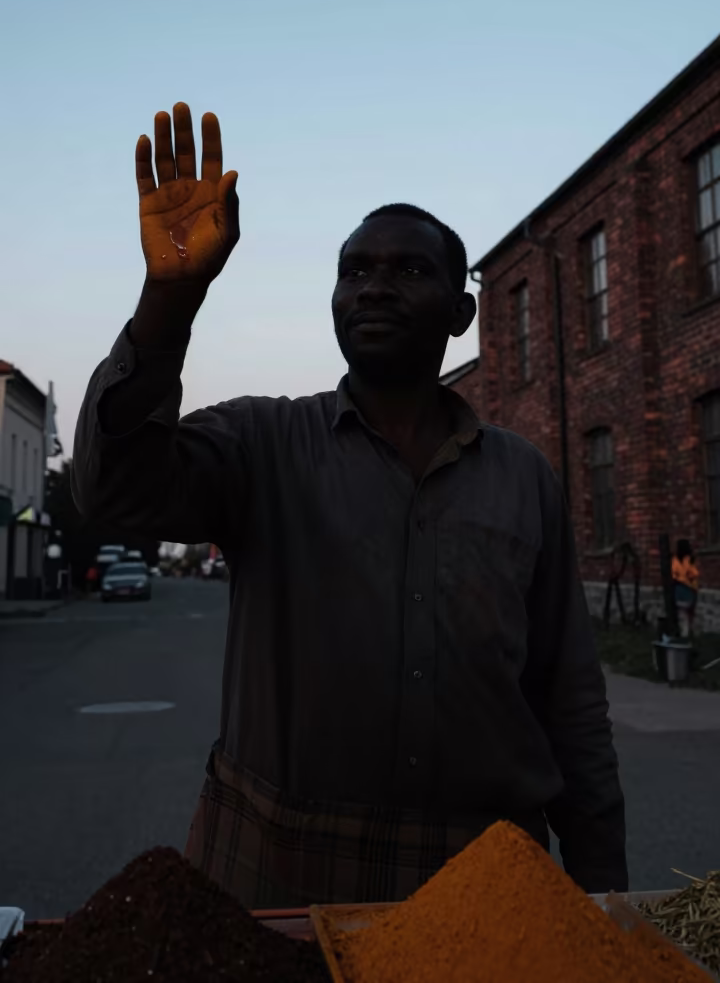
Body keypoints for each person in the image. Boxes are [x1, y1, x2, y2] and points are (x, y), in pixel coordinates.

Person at [72, 103, 627, 906]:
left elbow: (568, 693)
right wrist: (170, 299)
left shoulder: (523, 477)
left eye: (408, 271)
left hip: (486, 876)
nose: (374, 287)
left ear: (461, 312)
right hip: (279, 870)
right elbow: (111, 485)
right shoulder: (262, 442)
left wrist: (603, 888)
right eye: (355, 270)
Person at [672, 540, 699, 638]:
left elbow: (693, 574)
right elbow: (693, 574)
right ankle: (686, 633)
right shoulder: (684, 559)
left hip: (685, 587)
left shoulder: (680, 559)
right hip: (686, 588)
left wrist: (681, 578)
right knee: (686, 613)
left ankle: (686, 633)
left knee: (684, 613)